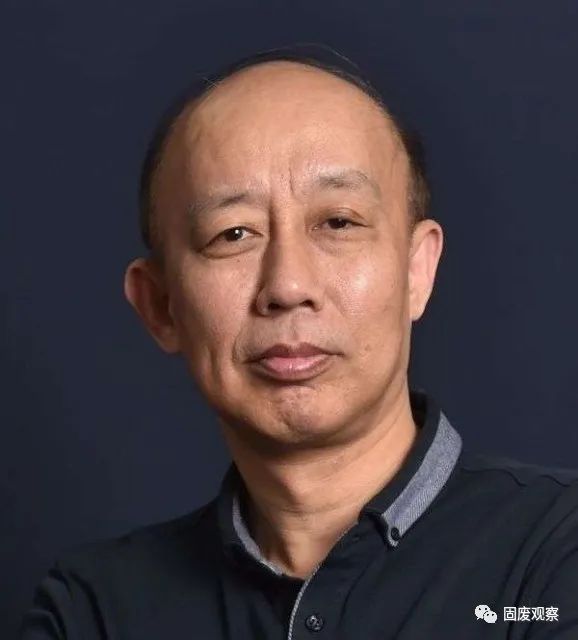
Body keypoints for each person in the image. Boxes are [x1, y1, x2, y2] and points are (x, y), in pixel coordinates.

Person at [20, 44, 578, 639]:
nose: (288, 286)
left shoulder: (553, 555)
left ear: (418, 270)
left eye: (338, 222)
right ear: (161, 305)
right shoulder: (96, 612)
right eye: (233, 234)